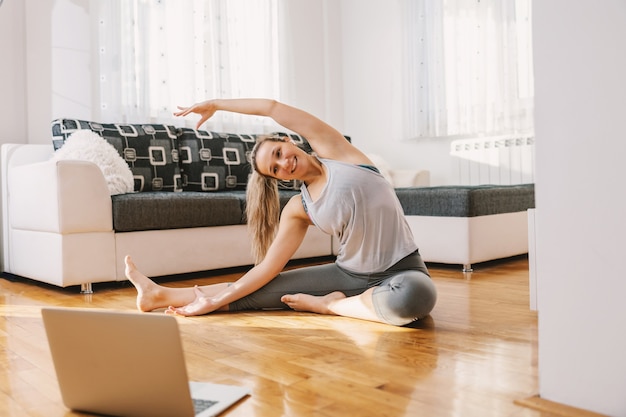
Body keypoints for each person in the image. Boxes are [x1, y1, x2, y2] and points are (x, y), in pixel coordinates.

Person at [124, 98, 437, 326]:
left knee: (417, 297)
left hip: (402, 270)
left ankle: (332, 306)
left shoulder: (338, 152)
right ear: (281, 180)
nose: (284, 163)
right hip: (350, 274)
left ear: (288, 141)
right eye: (276, 169)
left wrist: (217, 104)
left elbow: (272, 108)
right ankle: (160, 295)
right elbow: (265, 270)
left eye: (279, 153)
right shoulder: (299, 208)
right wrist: (217, 301)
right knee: (262, 290)